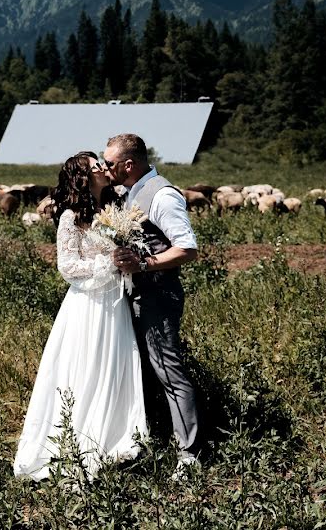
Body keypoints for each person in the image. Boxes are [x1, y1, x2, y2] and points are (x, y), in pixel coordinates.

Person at [13, 151, 148, 481]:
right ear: (83, 176)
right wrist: (110, 263)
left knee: (116, 365)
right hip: (88, 304)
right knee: (85, 368)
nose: (103, 167)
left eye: (101, 162)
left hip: (116, 304)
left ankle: (115, 437)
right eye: (94, 165)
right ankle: (79, 441)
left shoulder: (115, 208)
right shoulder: (71, 217)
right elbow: (68, 267)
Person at [103, 133, 202, 481]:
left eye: (110, 163)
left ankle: (188, 455)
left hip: (158, 295)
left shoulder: (162, 194)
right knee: (142, 368)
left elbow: (187, 248)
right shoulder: (127, 193)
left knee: (168, 370)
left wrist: (144, 265)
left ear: (128, 165)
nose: (106, 168)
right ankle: (147, 438)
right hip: (136, 294)